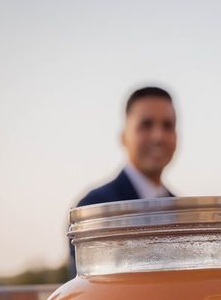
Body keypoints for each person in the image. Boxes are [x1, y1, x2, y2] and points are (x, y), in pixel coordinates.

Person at [69, 86, 177, 270]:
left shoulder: (179, 210)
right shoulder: (95, 209)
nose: (158, 136)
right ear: (123, 137)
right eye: (146, 124)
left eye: (168, 125)